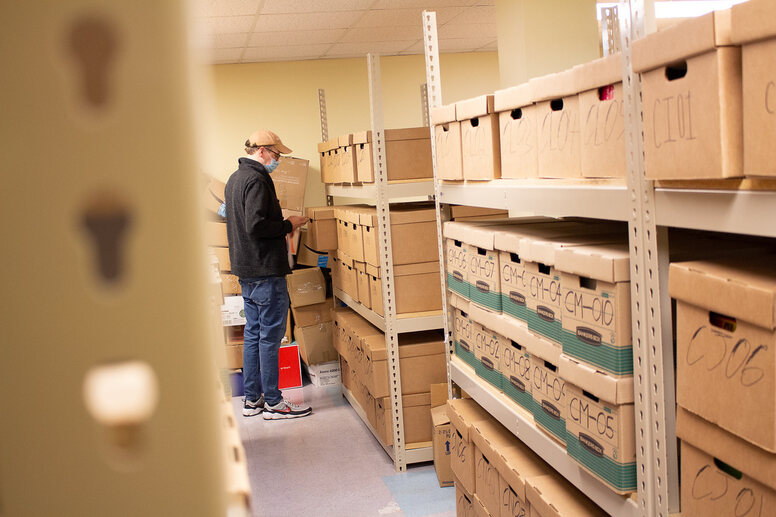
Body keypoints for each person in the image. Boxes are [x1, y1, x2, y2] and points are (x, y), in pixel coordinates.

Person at [224, 129, 311, 420]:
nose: (278, 161)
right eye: (276, 155)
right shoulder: (257, 180)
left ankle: (253, 400)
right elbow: (256, 226)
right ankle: (274, 401)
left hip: (247, 269)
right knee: (270, 337)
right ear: (261, 151)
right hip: (264, 269)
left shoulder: (235, 179)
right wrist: (289, 224)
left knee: (253, 334)